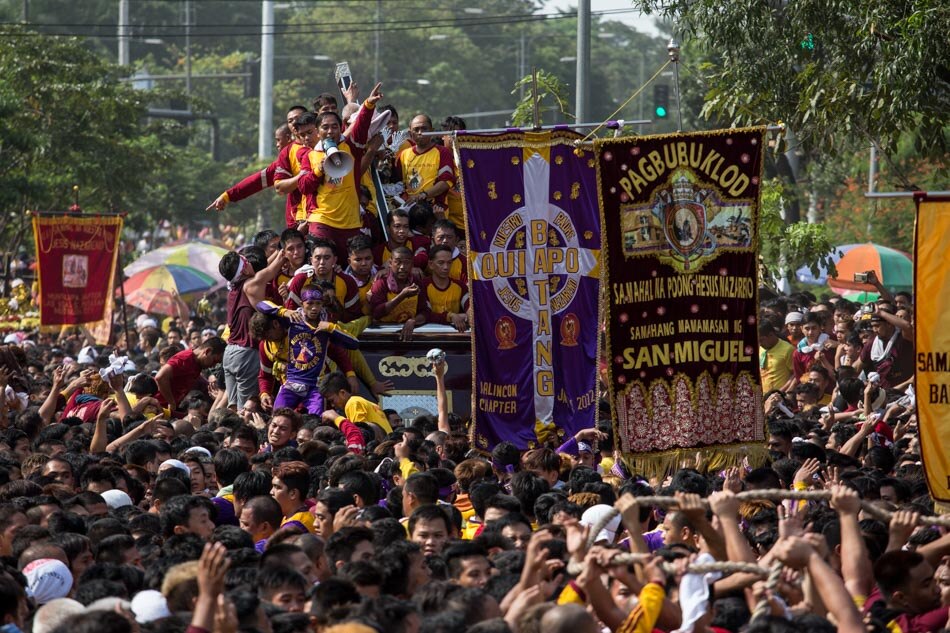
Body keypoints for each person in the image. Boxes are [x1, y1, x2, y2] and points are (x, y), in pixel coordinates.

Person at [256, 286, 359, 415]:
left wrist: (331, 328)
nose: (314, 308)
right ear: (301, 303)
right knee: (277, 416)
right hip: (292, 383)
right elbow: (260, 304)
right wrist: (283, 311)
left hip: (315, 386)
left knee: (315, 420)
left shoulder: (326, 325)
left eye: (318, 303)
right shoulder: (293, 320)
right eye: (309, 303)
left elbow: (354, 344)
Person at [394, 114, 454, 208]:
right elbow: (397, 185)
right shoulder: (403, 155)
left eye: (424, 128)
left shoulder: (442, 152)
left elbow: (446, 182)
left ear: (432, 131)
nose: (420, 132)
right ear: (410, 134)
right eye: (416, 129)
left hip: (435, 210)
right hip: (409, 211)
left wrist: (423, 195)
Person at [369, 247, 425, 341]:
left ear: (412, 264)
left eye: (407, 263)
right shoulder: (381, 283)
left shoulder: (416, 282)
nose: (402, 267)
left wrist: (413, 321)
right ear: (390, 263)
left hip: (409, 334)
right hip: (383, 335)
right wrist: (402, 295)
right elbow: (376, 313)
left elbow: (425, 311)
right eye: (398, 262)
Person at [154, 338, 225, 412]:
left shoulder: (197, 363)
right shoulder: (184, 360)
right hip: (158, 407)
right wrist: (171, 403)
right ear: (207, 351)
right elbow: (160, 377)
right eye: (214, 361)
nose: (213, 366)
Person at [319, 371, 392, 436]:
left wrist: (335, 417)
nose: (332, 405)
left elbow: (359, 435)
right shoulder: (366, 403)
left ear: (342, 393)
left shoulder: (353, 403)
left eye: (332, 400)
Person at [421, 244, 469, 332]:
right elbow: (426, 315)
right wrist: (451, 316)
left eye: (449, 262)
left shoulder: (460, 286)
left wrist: (469, 315)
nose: (446, 267)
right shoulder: (423, 285)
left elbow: (469, 308)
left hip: (455, 336)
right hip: (429, 336)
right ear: (431, 264)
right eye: (441, 263)